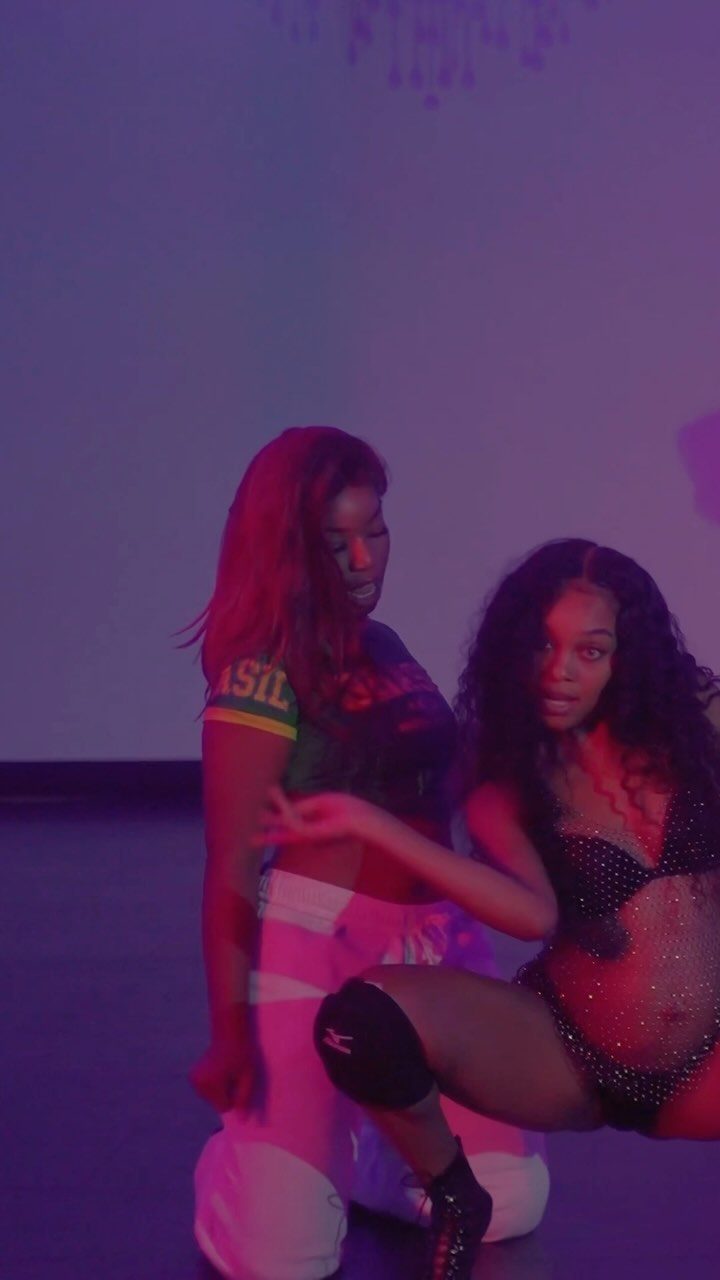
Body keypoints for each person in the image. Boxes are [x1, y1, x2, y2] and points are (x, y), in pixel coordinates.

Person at [263, 538, 720, 1280]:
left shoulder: (697, 728)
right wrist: (368, 822)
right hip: (573, 1057)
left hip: (709, 1065)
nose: (559, 671)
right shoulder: (510, 780)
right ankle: (452, 1194)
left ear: (627, 657)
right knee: (361, 1024)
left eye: (590, 651)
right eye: (542, 644)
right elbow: (532, 916)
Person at [187, 427, 549, 1280]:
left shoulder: (386, 645)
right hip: (318, 951)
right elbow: (231, 865)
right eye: (334, 540)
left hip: (437, 947)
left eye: (375, 531)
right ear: (287, 547)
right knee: (285, 1259)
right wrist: (229, 1037)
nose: (362, 560)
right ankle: (243, 1172)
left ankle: (372, 1150)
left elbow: (450, 788)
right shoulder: (259, 673)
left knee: (510, 1203)